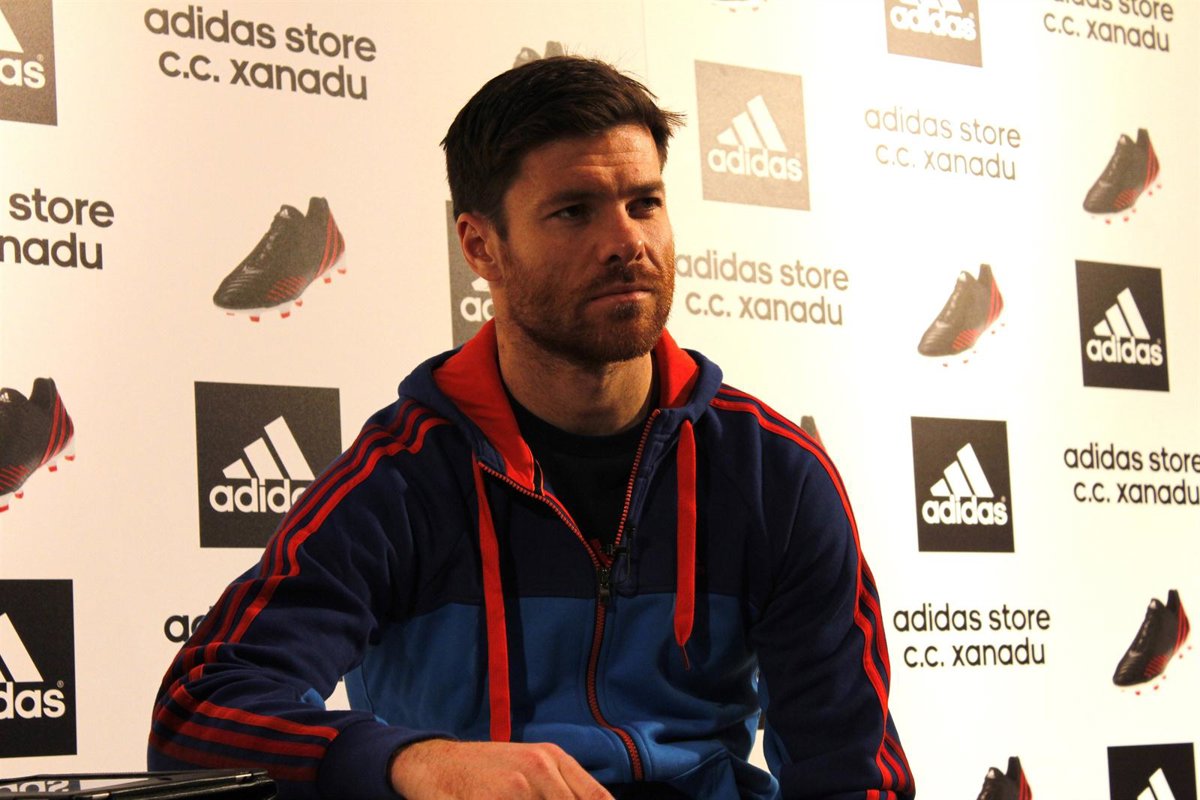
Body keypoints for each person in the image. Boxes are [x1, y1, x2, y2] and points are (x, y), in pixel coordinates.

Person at [148, 56, 914, 800]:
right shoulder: (402, 478)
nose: (627, 243)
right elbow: (198, 715)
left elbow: (851, 772)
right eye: (574, 211)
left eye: (644, 203)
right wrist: (420, 765)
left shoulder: (773, 473)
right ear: (480, 246)